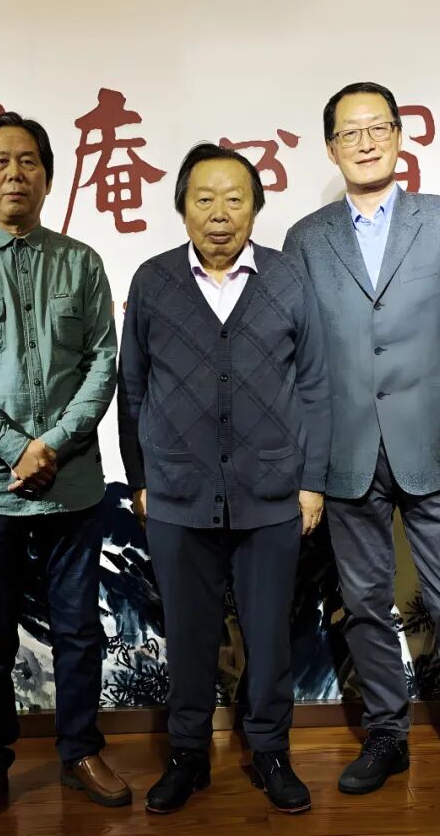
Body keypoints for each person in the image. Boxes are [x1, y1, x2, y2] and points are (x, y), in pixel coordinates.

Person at [283, 81, 440, 824]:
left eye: (377, 127)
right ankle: (386, 735)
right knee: (363, 606)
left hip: (435, 448)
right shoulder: (306, 238)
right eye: (349, 132)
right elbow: (302, 358)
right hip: (345, 451)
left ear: (399, 135)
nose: (365, 141)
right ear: (331, 148)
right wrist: (308, 464)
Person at [0, 111, 129, 821]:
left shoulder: (82, 263)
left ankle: (80, 751)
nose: (15, 173)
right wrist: (17, 448)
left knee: (78, 628)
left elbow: (103, 363)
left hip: (72, 483)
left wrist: (54, 443)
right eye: (1, 162)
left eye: (29, 161)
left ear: (48, 177)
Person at [118, 143, 331, 815]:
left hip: (271, 494)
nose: (219, 213)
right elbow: (132, 387)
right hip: (177, 493)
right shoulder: (153, 281)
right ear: (182, 207)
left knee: (269, 635)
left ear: (255, 209)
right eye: (204, 199)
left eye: (235, 199)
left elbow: (315, 385)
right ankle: (187, 753)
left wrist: (312, 482)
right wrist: (140, 479)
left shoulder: (288, 277)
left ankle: (270, 750)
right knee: (187, 635)